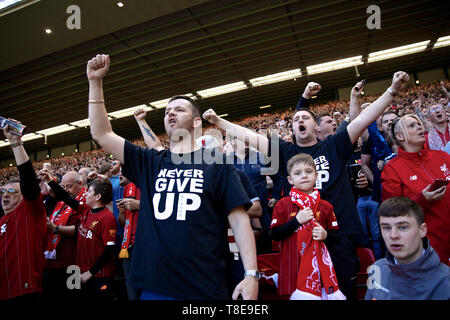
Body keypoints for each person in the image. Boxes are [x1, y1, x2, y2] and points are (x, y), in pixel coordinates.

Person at [203, 71, 411, 300]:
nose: (299, 121)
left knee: (343, 293)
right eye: (295, 120)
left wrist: (392, 90)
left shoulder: (334, 145)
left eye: (305, 118)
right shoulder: (285, 152)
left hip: (338, 237)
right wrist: (218, 122)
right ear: (292, 129)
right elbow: (250, 136)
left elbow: (364, 118)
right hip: (299, 241)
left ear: (316, 126)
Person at [86, 53, 258, 300]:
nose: (170, 113)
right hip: (155, 286)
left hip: (204, 286)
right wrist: (95, 82)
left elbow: (239, 218)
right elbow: (101, 133)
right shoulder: (150, 161)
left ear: (197, 122)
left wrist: (251, 274)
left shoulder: (217, 165)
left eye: (179, 109)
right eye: (167, 111)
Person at [270, 153, 342, 300]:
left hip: (319, 272)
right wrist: (296, 221)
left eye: (308, 172)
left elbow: (337, 237)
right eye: (298, 173)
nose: (304, 176)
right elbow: (274, 234)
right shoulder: (283, 204)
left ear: (316, 175)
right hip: (292, 269)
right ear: (290, 179)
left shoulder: (325, 206)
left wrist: (325, 235)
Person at [381, 113, 450, 265]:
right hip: (430, 249)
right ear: (400, 136)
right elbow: (392, 212)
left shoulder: (443, 157)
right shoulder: (393, 169)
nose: (419, 126)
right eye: (412, 125)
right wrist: (422, 201)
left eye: (419, 124)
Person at [41, 171, 117, 298]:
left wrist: (90, 273)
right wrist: (50, 181)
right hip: (79, 271)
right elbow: (65, 196)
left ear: (97, 197)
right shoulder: (86, 209)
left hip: (98, 275)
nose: (85, 193)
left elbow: (110, 249)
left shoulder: (107, 218)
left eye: (89, 192)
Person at [365, 197, 449, 300]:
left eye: (403, 227)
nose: (393, 235)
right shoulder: (378, 268)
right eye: (386, 228)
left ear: (422, 230)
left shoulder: (445, 282)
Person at [0, 119, 47, 300]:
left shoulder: (29, 213)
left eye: (12, 191)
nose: (6, 195)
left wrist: (15, 144)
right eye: (3, 191)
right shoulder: (2, 221)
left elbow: (28, 182)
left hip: (24, 291)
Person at [43, 171, 86, 298]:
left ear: (80, 184)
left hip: (73, 261)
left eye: (69, 186)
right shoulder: (60, 202)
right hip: (53, 259)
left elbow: (82, 229)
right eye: (64, 186)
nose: (66, 190)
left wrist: (56, 228)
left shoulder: (85, 201)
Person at [117, 174, 141, 300]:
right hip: (127, 247)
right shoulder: (128, 188)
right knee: (132, 292)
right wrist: (121, 211)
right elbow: (123, 222)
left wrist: (139, 205)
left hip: (145, 247)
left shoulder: (152, 181)